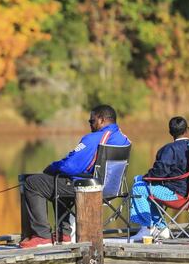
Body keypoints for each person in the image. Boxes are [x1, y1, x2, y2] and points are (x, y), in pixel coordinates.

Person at [19, 105, 131, 249]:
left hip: (88, 189)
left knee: (33, 183)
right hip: (111, 190)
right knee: (61, 182)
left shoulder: (93, 138)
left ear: (102, 120)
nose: (90, 125)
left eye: (92, 121)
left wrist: (52, 167)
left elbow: (70, 166)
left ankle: (42, 236)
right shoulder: (123, 138)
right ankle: (63, 235)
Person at [129, 116, 189, 241]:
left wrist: (145, 178)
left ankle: (147, 228)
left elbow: (158, 173)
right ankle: (161, 227)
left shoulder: (169, 149)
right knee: (143, 184)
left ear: (170, 132)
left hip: (177, 196)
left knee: (138, 187)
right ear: (187, 130)